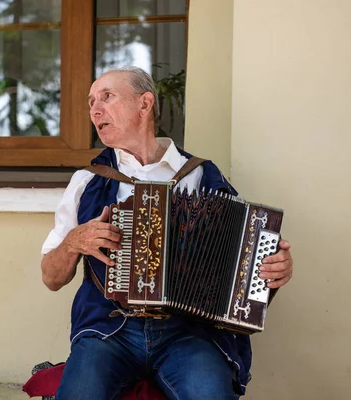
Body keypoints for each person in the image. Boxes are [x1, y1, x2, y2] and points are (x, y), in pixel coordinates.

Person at [41, 67, 294, 400]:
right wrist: (74, 242)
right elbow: (51, 277)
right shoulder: (87, 182)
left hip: (187, 333)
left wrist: (274, 266)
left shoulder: (202, 174)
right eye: (91, 103)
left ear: (144, 104)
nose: (95, 110)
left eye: (107, 96)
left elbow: (244, 257)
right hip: (109, 329)